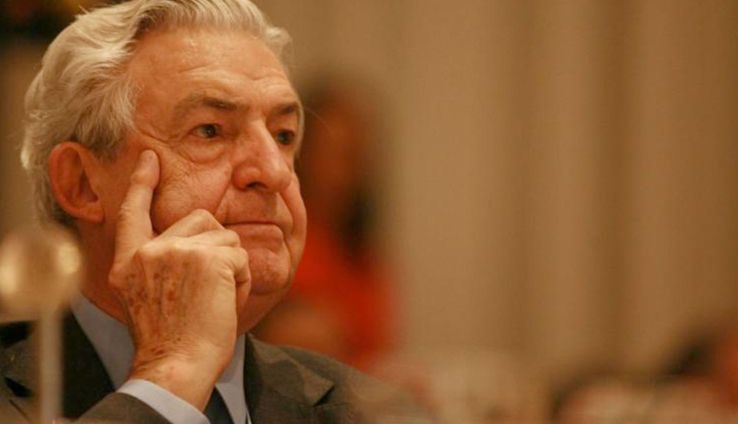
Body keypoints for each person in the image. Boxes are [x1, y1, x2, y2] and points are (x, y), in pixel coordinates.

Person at [0, 1, 427, 423]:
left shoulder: (374, 412)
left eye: (283, 136)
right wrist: (170, 377)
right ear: (82, 184)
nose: (275, 171)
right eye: (210, 131)